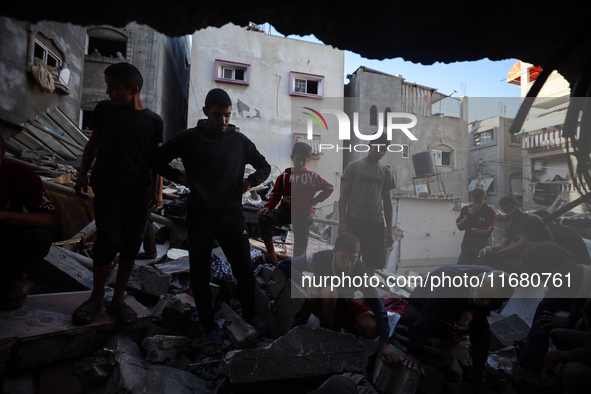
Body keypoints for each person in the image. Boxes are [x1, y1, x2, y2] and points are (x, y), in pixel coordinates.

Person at [150, 88, 271, 355]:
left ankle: (250, 315)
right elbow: (156, 158)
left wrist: (249, 182)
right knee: (200, 275)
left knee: (244, 271)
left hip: (230, 216)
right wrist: (179, 177)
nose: (223, 121)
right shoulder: (189, 139)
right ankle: (208, 328)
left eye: (227, 115)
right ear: (205, 112)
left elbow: (264, 166)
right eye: (218, 115)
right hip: (200, 215)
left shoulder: (239, 142)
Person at [73, 62, 163, 325]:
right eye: (107, 85)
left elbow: (154, 160)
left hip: (138, 192)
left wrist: (157, 191)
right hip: (108, 187)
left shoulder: (154, 121)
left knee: (131, 244)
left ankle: (118, 299)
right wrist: (81, 174)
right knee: (107, 242)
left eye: (113, 86)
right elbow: (93, 143)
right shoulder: (105, 110)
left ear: (133, 89)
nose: (108, 91)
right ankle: (96, 296)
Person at [277, 232, 400, 367]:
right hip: (322, 303)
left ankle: (336, 325)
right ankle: (324, 336)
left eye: (353, 258)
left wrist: (384, 344)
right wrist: (307, 283)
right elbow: (285, 264)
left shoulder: (360, 270)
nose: (348, 263)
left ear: (358, 255)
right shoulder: (321, 258)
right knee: (330, 291)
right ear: (334, 252)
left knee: (372, 328)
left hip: (343, 304)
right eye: (343, 258)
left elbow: (377, 305)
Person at [401, 265, 514, 390]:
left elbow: (486, 308)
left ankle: (477, 376)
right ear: (479, 280)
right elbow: (428, 314)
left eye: (494, 301)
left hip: (463, 299)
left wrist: (473, 311)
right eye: (485, 296)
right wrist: (412, 352)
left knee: (482, 333)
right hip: (425, 299)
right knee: (414, 318)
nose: (487, 303)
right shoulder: (450, 283)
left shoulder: (495, 283)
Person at [517, 210, 591, 373]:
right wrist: (570, 320)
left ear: (567, 265)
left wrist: (562, 356)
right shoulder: (580, 279)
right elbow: (580, 295)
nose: (550, 285)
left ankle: (531, 366)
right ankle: (529, 367)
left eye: (549, 278)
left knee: (573, 371)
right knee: (557, 331)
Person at [0, 134, 59, 308]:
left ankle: (6, 280)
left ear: (2, 153)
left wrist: (3, 216)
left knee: (39, 237)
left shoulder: (19, 174)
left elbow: (50, 220)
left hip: (5, 234)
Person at [257, 142, 334, 263]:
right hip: (285, 211)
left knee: (300, 251)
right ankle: (271, 254)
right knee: (264, 219)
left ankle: (296, 272)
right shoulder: (284, 176)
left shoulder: (312, 177)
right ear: (292, 158)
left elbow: (329, 188)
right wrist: (268, 207)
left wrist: (315, 201)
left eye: (304, 160)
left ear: (308, 160)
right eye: (298, 159)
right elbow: (275, 195)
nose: (301, 163)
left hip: (303, 215)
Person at [338, 134, 396, 272]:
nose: (380, 153)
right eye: (378, 148)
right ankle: (348, 292)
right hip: (354, 221)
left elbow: (388, 202)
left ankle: (367, 292)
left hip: (375, 224)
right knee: (350, 261)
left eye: (384, 150)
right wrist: (342, 221)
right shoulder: (354, 167)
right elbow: (343, 195)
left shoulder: (386, 172)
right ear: (370, 145)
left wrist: (390, 230)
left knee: (372, 265)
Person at [478, 196, 552, 273]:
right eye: (506, 211)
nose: (509, 213)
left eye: (511, 209)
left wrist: (498, 253)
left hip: (539, 256)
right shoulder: (510, 224)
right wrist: (488, 249)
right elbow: (503, 244)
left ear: (518, 205)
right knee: (485, 260)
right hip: (524, 255)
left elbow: (522, 244)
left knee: (501, 264)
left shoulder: (531, 219)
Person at [455, 187, 496, 265]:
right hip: (467, 247)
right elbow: (460, 226)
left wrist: (470, 229)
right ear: (471, 198)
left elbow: (487, 232)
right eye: (474, 201)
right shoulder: (466, 210)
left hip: (482, 248)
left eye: (479, 202)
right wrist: (470, 215)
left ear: (485, 198)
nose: (476, 204)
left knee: (479, 272)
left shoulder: (490, 212)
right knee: (461, 271)